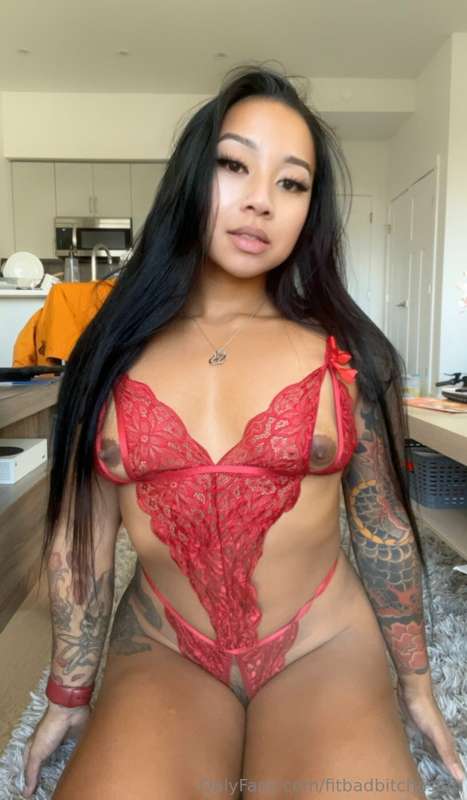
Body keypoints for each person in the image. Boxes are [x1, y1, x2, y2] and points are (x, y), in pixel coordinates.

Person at [22, 64, 465, 799]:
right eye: (234, 166)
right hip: (163, 648)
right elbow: (83, 533)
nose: (260, 199)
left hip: (321, 646)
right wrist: (68, 692)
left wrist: (417, 686)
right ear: (192, 178)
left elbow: (383, 527)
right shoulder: (107, 351)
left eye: (291, 182)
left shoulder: (350, 355)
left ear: (310, 210)